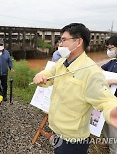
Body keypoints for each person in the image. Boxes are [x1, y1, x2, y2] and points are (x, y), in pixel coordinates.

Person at [33, 23, 117, 154]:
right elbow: (49, 74)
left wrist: (113, 112)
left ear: (78, 42)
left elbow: (105, 100)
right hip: (57, 130)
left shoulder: (91, 72)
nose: (59, 44)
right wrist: (40, 76)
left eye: (63, 40)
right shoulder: (61, 62)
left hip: (73, 140)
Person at [101, 35, 117, 154]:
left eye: (111, 48)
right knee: (105, 123)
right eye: (108, 48)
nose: (109, 51)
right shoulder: (112, 62)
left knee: (113, 128)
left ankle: (114, 150)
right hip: (108, 99)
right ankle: (108, 142)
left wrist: (112, 81)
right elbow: (100, 70)